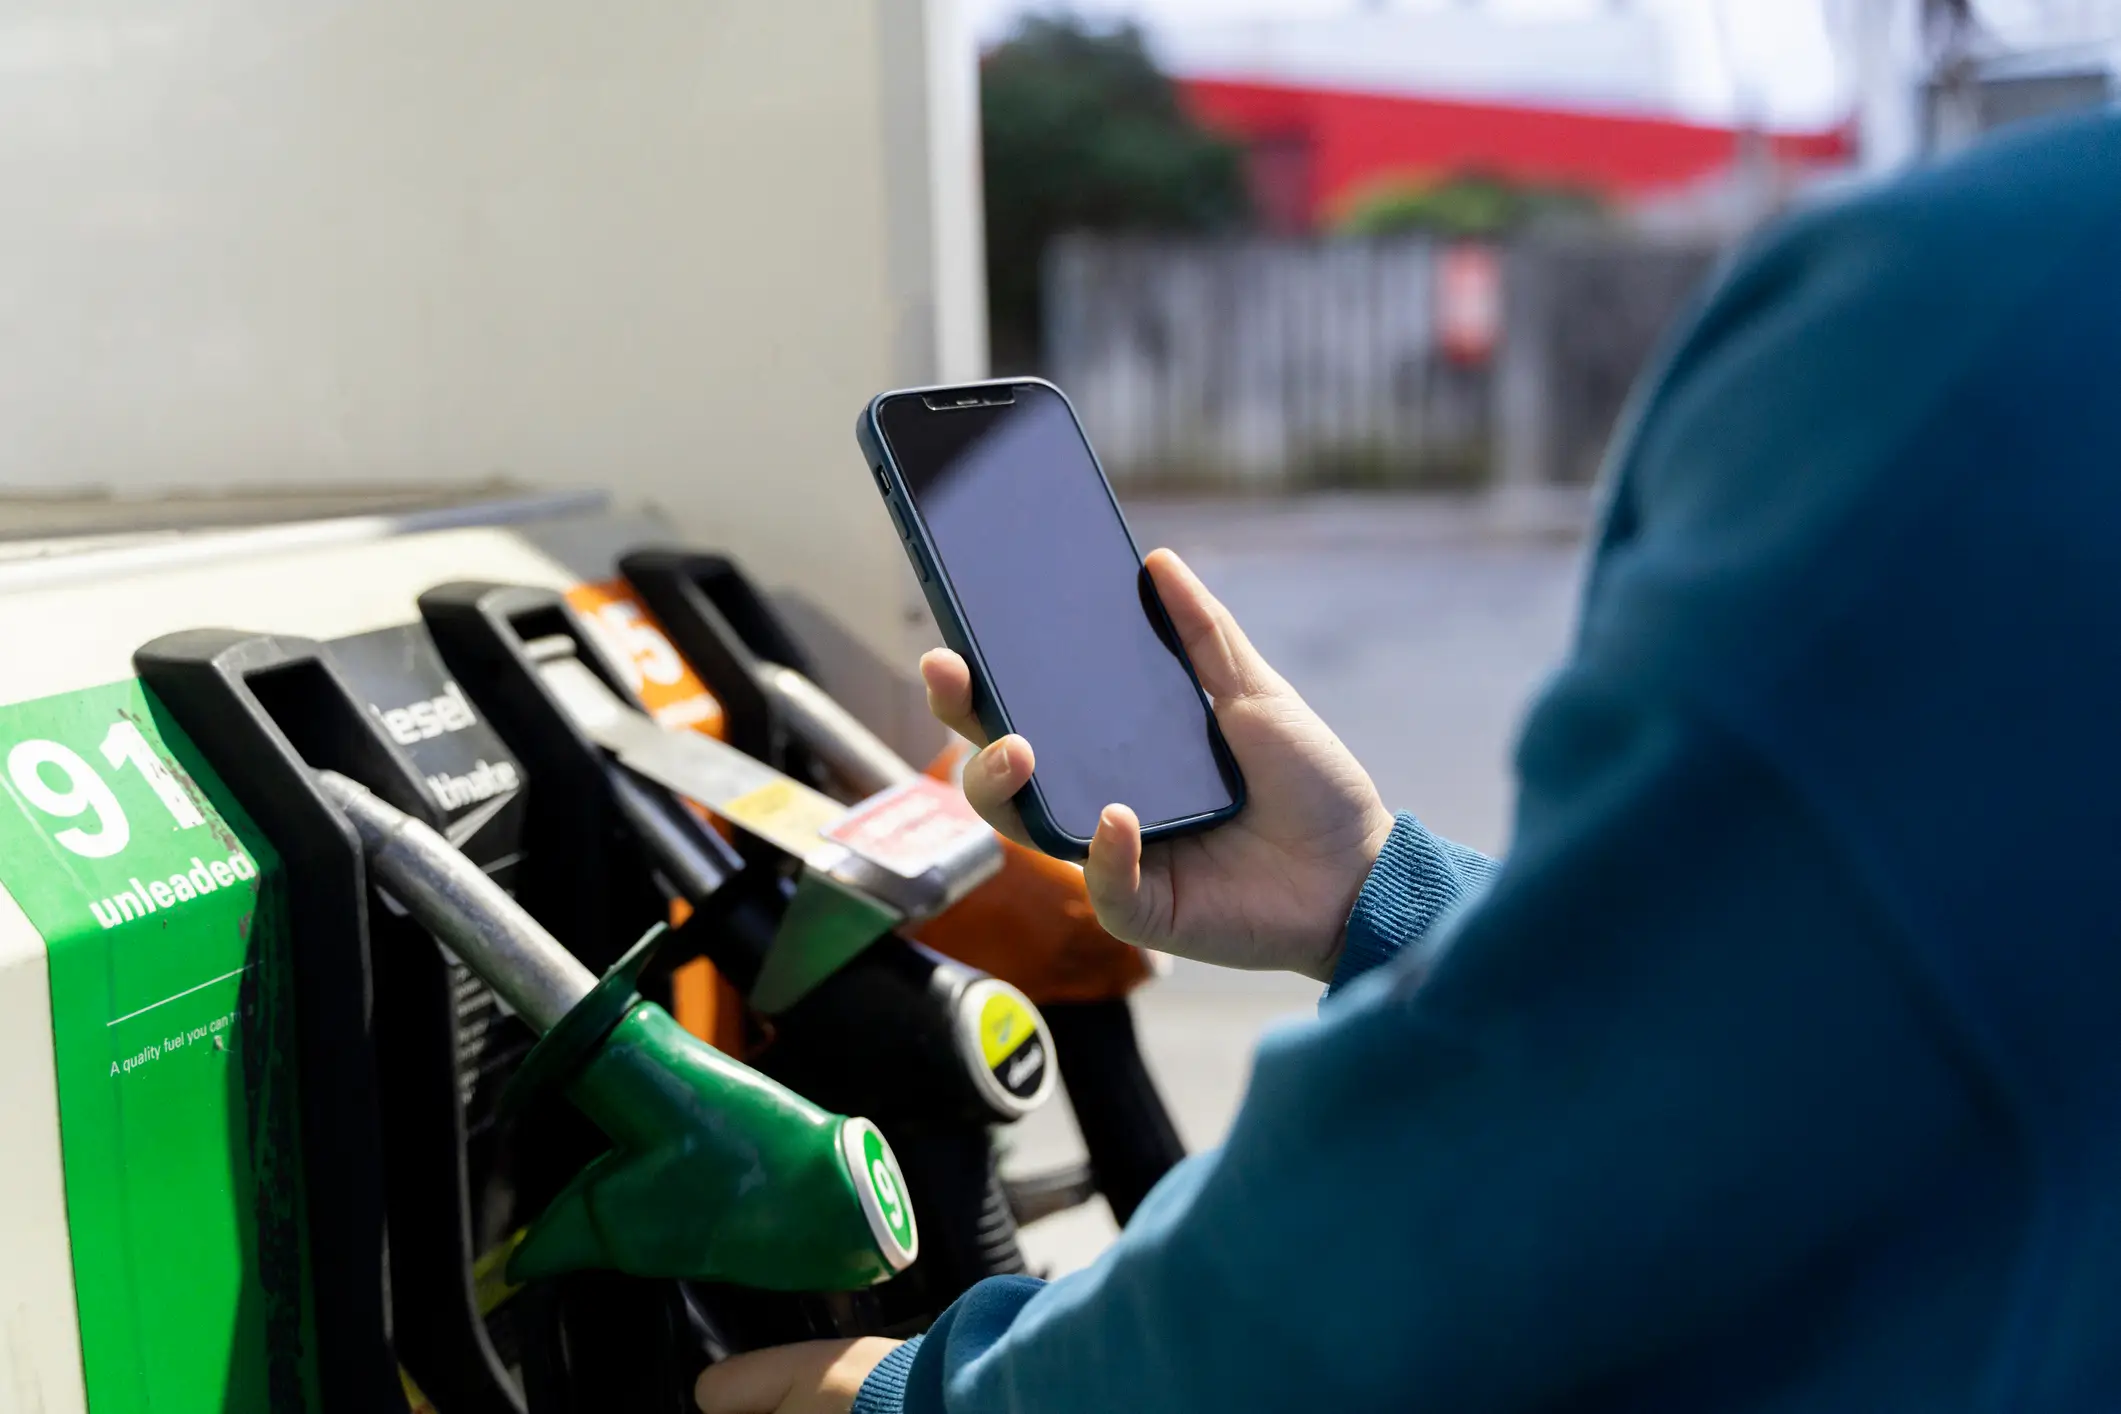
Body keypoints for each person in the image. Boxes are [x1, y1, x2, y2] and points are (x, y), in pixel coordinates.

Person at [699, 110, 2121, 1413]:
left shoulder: (1987, 327)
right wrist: (1378, 890)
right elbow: (1800, 1031)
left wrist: (934, 1392)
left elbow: (1520, 1164)